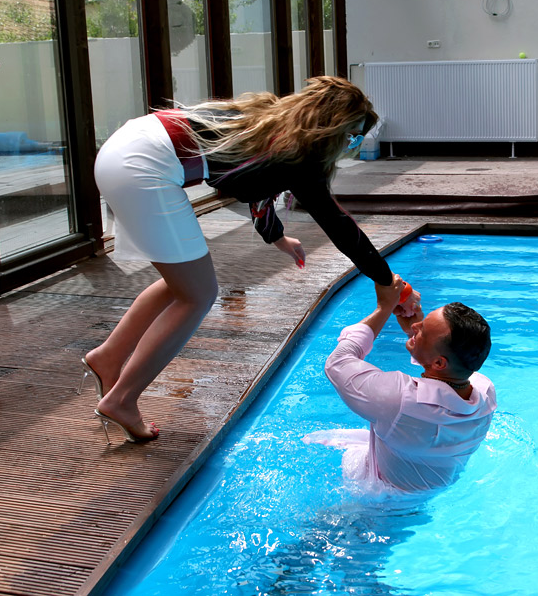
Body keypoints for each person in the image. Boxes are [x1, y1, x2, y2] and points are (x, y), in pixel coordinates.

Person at [81, 76, 417, 443]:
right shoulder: (301, 157)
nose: (350, 146)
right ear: (333, 127)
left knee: (182, 285)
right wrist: (385, 280)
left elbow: (256, 185)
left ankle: (108, 358)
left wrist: (277, 237)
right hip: (142, 168)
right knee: (198, 295)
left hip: (124, 147)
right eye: (352, 137)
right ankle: (122, 400)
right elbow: (339, 225)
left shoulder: (270, 121)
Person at [322, 274, 497, 492]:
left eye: (423, 330)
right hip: (433, 487)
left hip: (377, 496)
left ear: (439, 362)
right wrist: (418, 339)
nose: (416, 326)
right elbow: (442, 376)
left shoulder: (399, 400)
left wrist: (384, 308)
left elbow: (338, 362)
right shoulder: (485, 391)